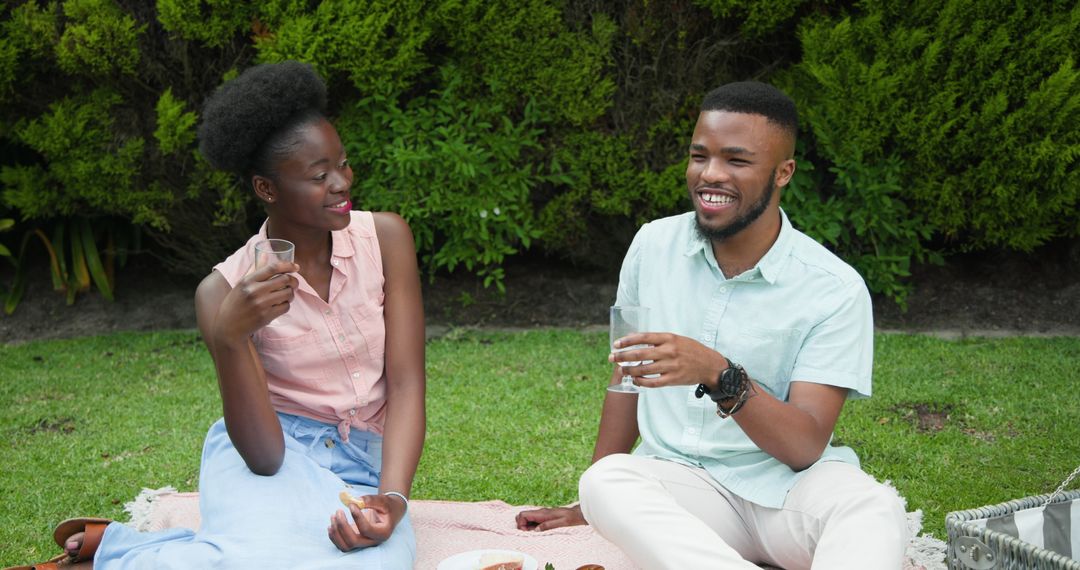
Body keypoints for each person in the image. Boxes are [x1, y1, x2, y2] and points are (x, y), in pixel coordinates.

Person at [20, 61, 425, 569]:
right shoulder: (221, 292)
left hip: (364, 462)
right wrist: (231, 336)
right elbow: (264, 457)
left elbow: (407, 384)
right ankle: (153, 549)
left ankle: (140, 549)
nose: (342, 182)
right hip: (271, 460)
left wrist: (394, 498)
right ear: (266, 189)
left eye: (343, 164)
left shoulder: (386, 239)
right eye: (320, 175)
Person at [516, 81, 908, 569]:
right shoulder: (651, 246)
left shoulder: (834, 288)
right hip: (683, 489)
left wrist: (718, 373)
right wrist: (590, 506)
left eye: (736, 161)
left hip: (788, 492)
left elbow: (805, 447)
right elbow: (625, 378)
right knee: (606, 480)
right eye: (699, 156)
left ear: (783, 172)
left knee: (874, 507)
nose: (710, 175)